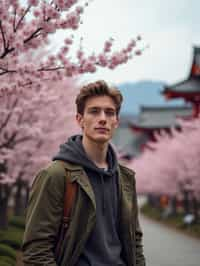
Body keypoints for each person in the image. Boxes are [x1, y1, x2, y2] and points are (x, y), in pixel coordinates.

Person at [22, 80, 146, 266]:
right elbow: (36, 250)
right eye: (94, 111)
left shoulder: (125, 178)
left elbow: (134, 242)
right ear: (79, 119)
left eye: (109, 112)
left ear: (116, 122)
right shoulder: (56, 175)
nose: (102, 118)